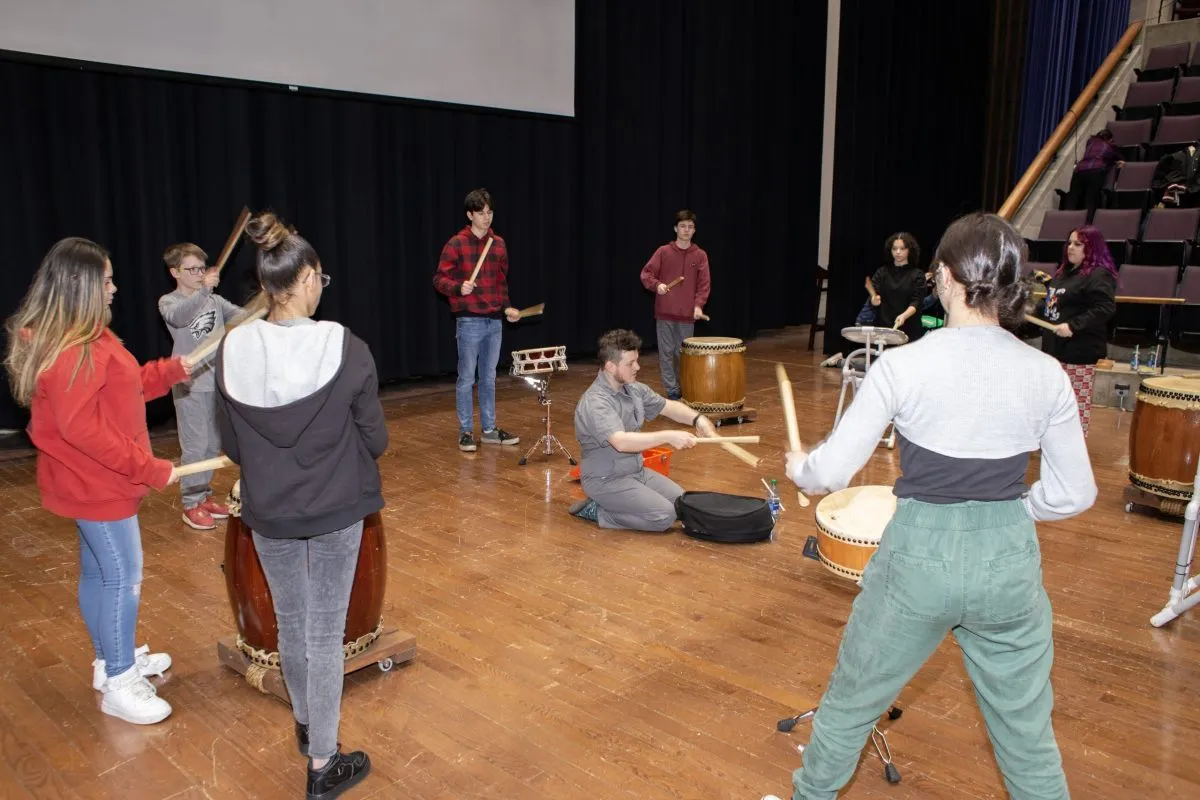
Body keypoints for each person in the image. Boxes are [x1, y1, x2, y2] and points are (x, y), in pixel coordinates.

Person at [763, 213, 1097, 800]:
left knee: (851, 702)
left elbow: (830, 472)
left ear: (942, 277)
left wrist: (800, 468)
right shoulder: (1047, 374)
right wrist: (1016, 510)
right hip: (1007, 559)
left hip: (919, 554)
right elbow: (1075, 493)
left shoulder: (904, 364)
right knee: (1026, 736)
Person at [216, 212, 383, 799]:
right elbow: (377, 439)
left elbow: (232, 444)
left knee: (292, 623)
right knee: (323, 632)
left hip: (271, 510)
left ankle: (310, 724)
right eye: (322, 278)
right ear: (307, 276)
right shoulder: (346, 347)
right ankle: (322, 764)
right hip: (337, 506)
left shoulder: (233, 350)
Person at [5, 237, 186, 725]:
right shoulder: (73, 350)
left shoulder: (90, 338)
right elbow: (82, 430)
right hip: (97, 484)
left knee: (101, 574)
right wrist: (148, 468)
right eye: (105, 280)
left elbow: (123, 388)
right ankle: (121, 681)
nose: (114, 288)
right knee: (123, 576)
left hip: (93, 481)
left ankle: (112, 660)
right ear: (81, 287)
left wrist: (174, 370)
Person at [569, 328, 718, 531]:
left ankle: (620, 506)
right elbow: (621, 442)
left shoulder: (633, 389)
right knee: (664, 516)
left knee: (682, 505)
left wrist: (698, 419)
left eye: (636, 360)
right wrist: (668, 436)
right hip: (605, 480)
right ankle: (597, 511)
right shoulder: (595, 403)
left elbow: (669, 407)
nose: (637, 367)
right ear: (611, 367)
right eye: (630, 363)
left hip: (636, 471)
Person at [158, 242, 244, 529]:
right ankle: (190, 503)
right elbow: (181, 317)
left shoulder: (215, 302)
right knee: (195, 446)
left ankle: (204, 496)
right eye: (191, 269)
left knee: (213, 445)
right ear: (175, 272)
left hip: (217, 382)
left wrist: (271, 305)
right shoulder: (168, 302)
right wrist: (205, 289)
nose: (198, 274)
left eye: (201, 269)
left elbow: (243, 318)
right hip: (188, 384)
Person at [432, 188, 521, 452]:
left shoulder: (499, 244)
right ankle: (466, 432)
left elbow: (501, 282)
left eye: (490, 213)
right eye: (481, 213)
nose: (486, 218)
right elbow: (439, 279)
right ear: (470, 214)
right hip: (469, 320)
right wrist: (459, 288)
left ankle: (490, 430)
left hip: (494, 320)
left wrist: (507, 308)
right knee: (466, 378)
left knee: (489, 378)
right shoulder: (456, 244)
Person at [1038, 225, 1118, 437]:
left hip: (1079, 352)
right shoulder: (1064, 272)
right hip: (1055, 349)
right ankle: (1052, 439)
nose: (1070, 248)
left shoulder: (1098, 275)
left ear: (1091, 248)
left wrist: (1074, 326)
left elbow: (1105, 307)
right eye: (1069, 243)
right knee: (1053, 400)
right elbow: (1053, 304)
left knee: (1075, 402)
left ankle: (1074, 444)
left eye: (1078, 244)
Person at [639, 210, 712, 400]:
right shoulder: (663, 252)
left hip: (687, 316)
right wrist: (658, 286)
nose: (686, 230)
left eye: (690, 227)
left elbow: (704, 284)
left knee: (684, 355)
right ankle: (672, 392)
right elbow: (646, 274)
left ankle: (685, 388)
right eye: (682, 226)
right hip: (665, 314)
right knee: (666, 354)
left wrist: (698, 305)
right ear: (675, 228)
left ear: (694, 230)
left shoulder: (700, 255)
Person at [861, 231, 925, 342]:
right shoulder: (882, 272)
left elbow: (917, 301)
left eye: (902, 248)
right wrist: (873, 300)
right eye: (894, 249)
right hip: (884, 326)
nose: (898, 252)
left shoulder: (917, 274)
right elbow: (874, 295)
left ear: (909, 250)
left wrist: (904, 316)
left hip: (909, 326)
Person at [1063, 129, 1123, 217]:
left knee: (1072, 200)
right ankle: (1086, 226)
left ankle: (1065, 221)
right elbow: (1119, 158)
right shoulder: (1111, 146)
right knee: (1090, 201)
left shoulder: (1090, 142)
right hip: (1096, 171)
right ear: (1110, 139)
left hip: (1079, 170)